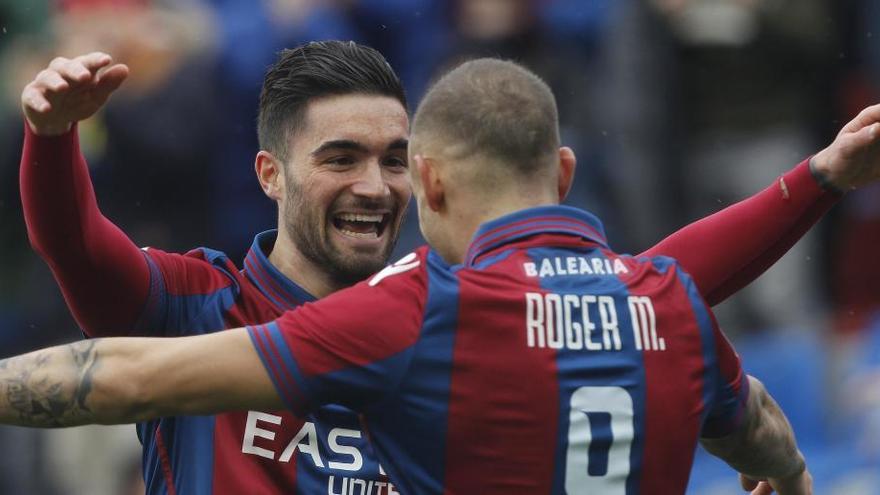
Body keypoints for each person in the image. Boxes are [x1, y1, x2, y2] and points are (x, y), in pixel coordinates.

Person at [17, 44, 875, 492]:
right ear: (269, 174)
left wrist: (821, 177)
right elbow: (77, 249)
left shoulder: (441, 309)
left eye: (395, 158)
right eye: (341, 158)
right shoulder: (199, 301)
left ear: (428, 175)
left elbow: (638, 286)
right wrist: (52, 141)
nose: (373, 185)